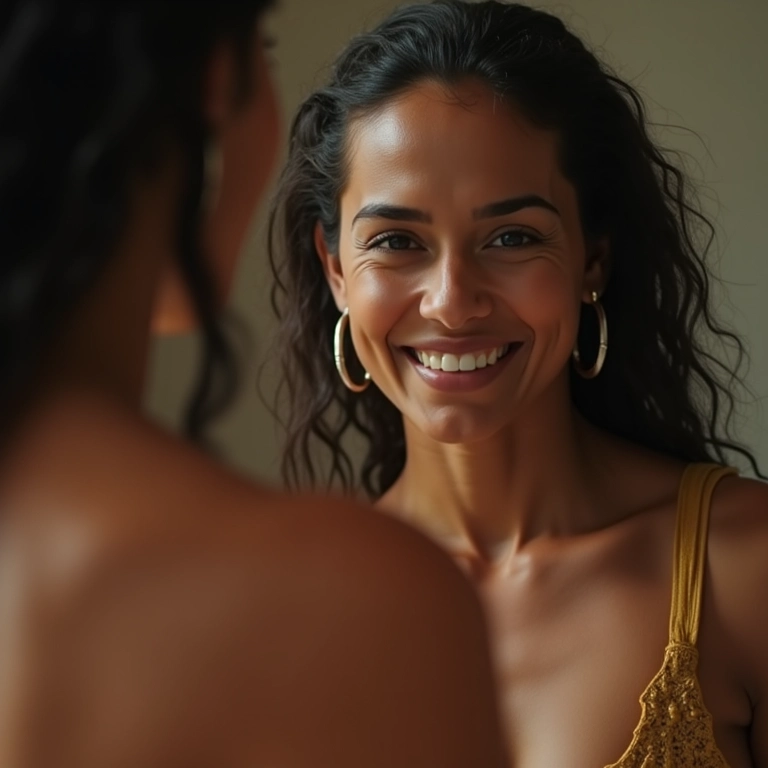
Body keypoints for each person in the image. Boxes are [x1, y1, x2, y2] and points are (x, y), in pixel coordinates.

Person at [0, 2, 508, 767]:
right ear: (215, 83)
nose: (451, 299)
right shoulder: (355, 602)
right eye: (261, 47)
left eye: (511, 237)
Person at [268, 1, 768, 765]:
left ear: (592, 257)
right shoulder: (291, 617)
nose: (451, 301)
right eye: (397, 241)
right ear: (335, 269)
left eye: (511, 237)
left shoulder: (744, 567)